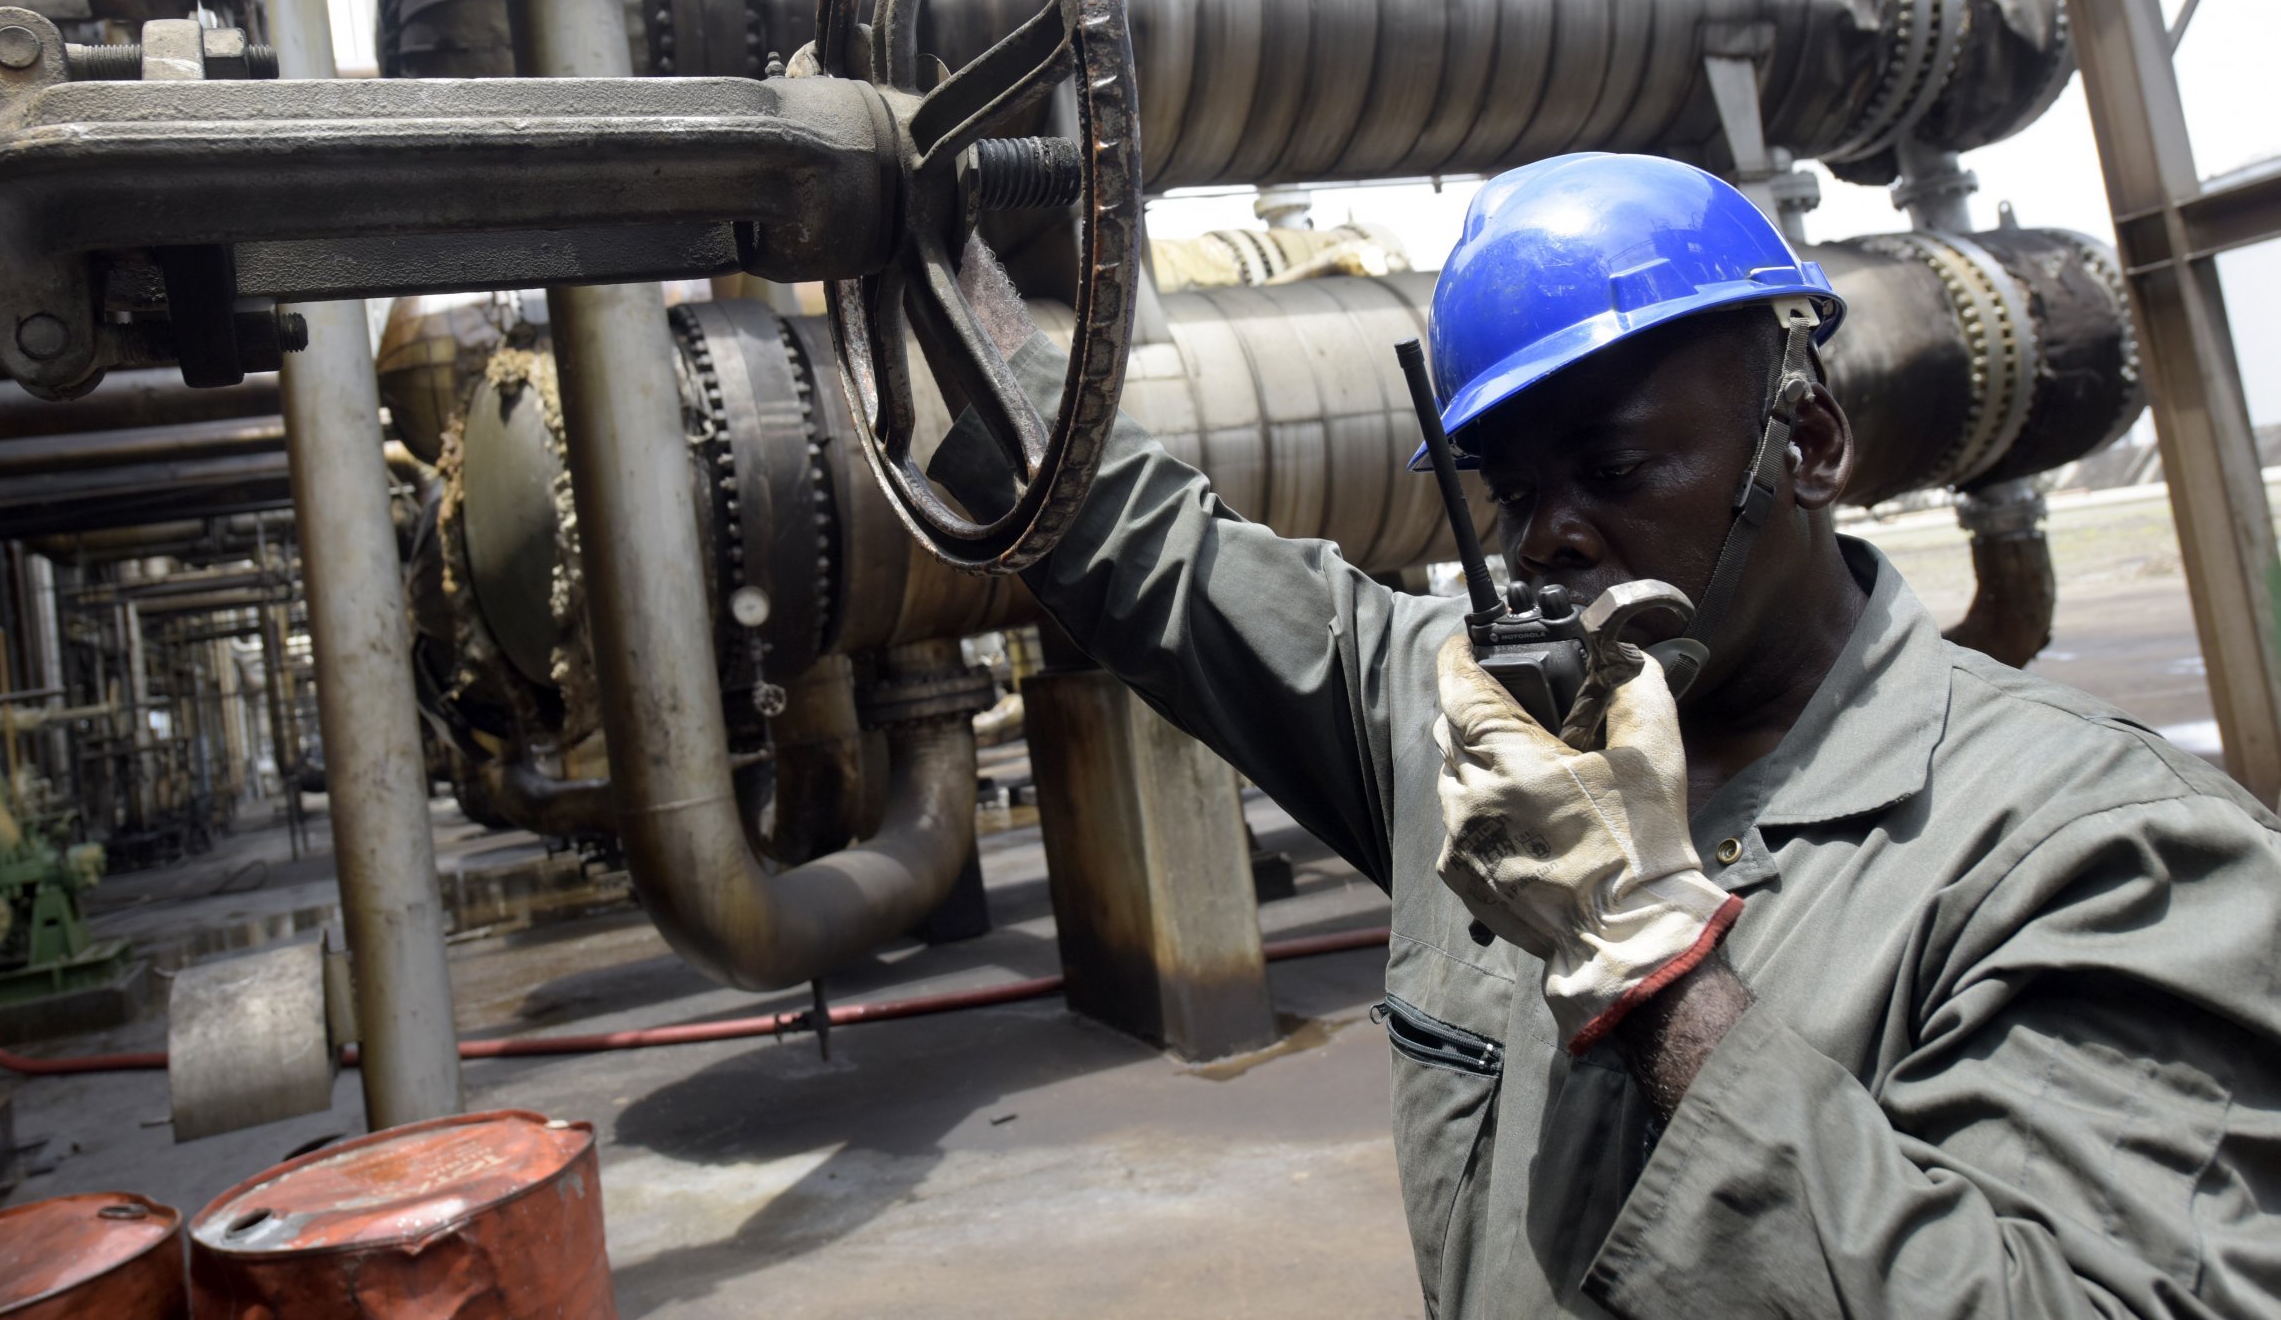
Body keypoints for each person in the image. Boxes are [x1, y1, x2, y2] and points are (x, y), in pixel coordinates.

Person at [929, 152, 2281, 1319]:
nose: (1553, 537)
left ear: (1807, 443)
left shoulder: (2099, 849)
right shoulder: (1479, 733)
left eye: (1618, 471)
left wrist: (1650, 971)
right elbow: (1142, 543)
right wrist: (919, 260)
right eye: (1514, 494)